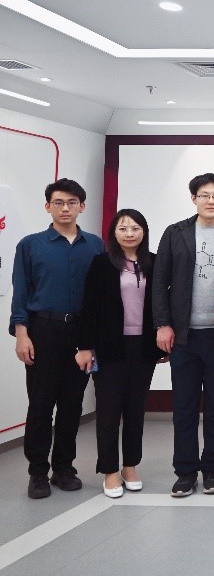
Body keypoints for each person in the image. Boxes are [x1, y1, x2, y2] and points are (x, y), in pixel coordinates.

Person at [153, 172, 214, 497]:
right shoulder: (175, 233)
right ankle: (185, 472)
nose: (211, 200)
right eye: (205, 195)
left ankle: (212, 469)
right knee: (183, 407)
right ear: (193, 198)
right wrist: (163, 324)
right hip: (184, 336)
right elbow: (160, 281)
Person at [10, 178, 104, 499]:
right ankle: (37, 472)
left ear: (82, 207)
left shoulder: (95, 246)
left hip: (82, 334)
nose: (66, 208)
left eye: (72, 202)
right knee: (40, 405)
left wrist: (94, 340)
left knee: (72, 405)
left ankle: (64, 468)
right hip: (43, 330)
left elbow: (101, 296)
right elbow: (21, 293)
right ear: (47, 206)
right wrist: (22, 334)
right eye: (59, 202)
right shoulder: (30, 245)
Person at [75, 209, 165, 498]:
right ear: (113, 233)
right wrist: (84, 346)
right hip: (109, 346)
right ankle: (110, 470)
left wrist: (162, 341)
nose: (129, 233)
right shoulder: (102, 263)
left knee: (136, 409)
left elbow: (162, 303)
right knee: (109, 410)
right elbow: (89, 307)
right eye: (123, 228)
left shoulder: (154, 262)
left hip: (144, 347)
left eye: (135, 228)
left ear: (144, 231)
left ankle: (130, 466)